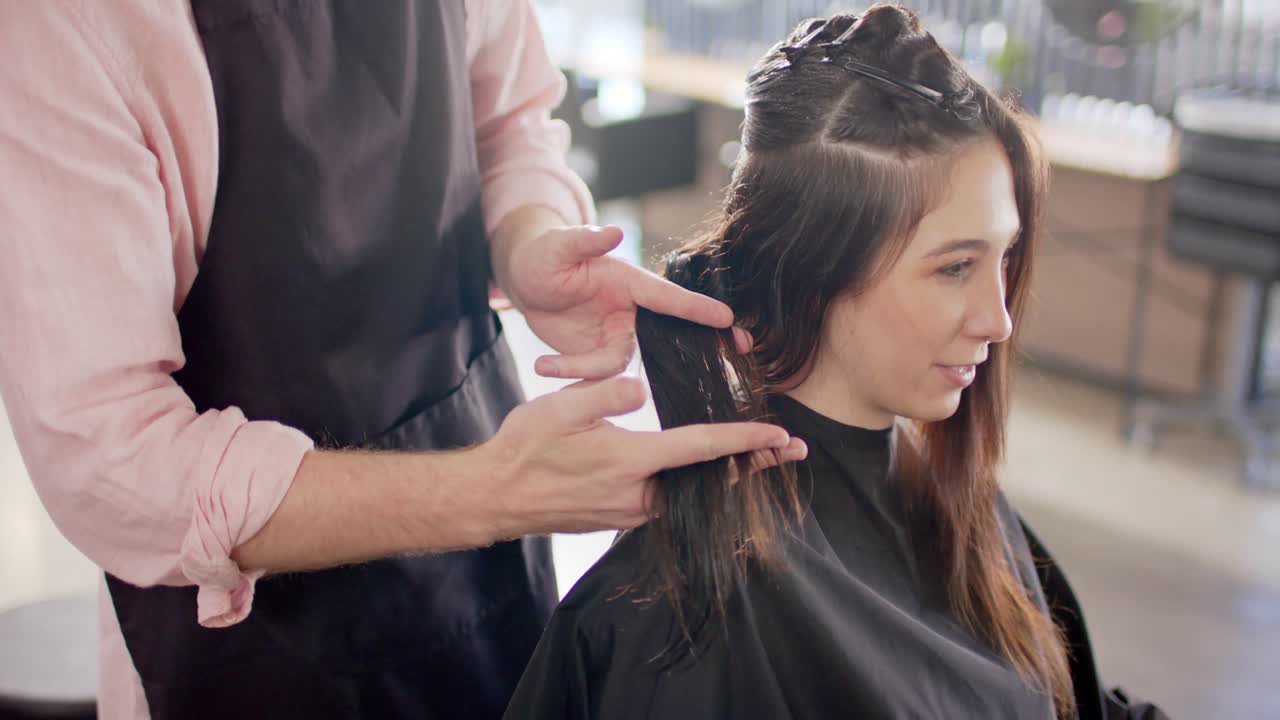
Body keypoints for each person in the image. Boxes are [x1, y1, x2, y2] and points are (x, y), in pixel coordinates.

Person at [0, 2, 806, 718]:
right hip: (243, 647)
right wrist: (494, 490)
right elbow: (111, 461)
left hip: (482, 562)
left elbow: (513, 124)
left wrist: (528, 241)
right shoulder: (60, 27)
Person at [504, 7, 1169, 720]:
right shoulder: (688, 617)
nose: (998, 319)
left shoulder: (946, 498)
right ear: (811, 270)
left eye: (1003, 257)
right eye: (954, 268)